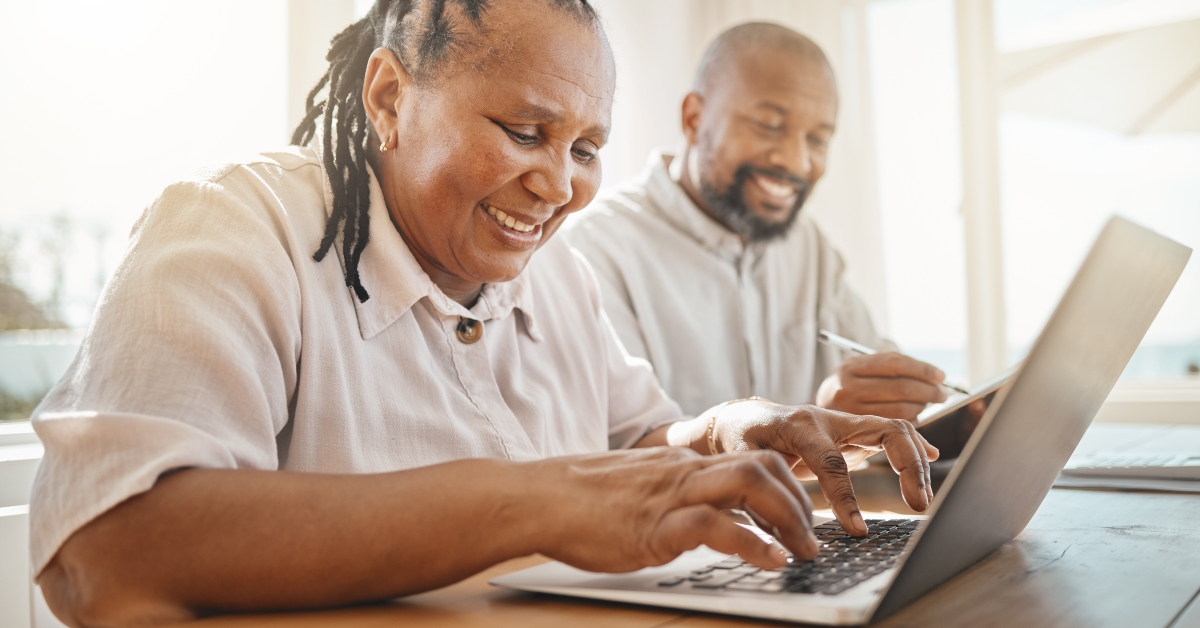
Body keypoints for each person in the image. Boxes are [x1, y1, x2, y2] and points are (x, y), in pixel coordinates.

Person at [29, 2, 937, 626]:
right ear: (389, 97)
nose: (558, 185)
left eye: (586, 148)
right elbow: (106, 553)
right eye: (524, 131)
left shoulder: (556, 276)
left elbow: (637, 450)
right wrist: (534, 501)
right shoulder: (239, 226)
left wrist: (736, 429)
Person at [565, 23, 953, 421]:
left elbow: (881, 375)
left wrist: (944, 413)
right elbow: (625, 448)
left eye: (818, 139)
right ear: (695, 119)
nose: (796, 161)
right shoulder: (595, 251)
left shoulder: (808, 248)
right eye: (769, 126)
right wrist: (817, 425)